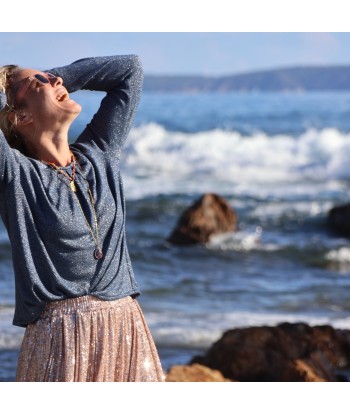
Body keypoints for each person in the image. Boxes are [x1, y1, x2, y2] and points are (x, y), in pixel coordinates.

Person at [0, 55, 165, 382]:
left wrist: (58, 78)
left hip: (125, 327)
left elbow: (129, 70)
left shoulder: (99, 152)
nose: (53, 82)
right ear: (21, 117)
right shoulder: (15, 175)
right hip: (60, 338)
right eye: (38, 82)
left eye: (50, 77)